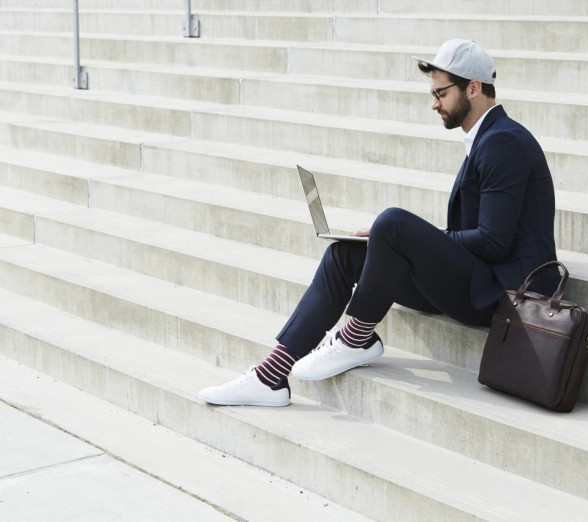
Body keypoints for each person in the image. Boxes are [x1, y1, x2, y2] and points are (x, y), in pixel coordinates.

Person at [198, 39, 560, 407]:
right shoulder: (487, 138)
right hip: (478, 279)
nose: (434, 103)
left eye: (440, 92)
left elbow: (494, 241)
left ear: (473, 87)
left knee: (392, 222)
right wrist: (395, 242)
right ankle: (270, 376)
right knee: (345, 255)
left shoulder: (504, 141)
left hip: (505, 295)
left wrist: (406, 236)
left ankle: (356, 338)